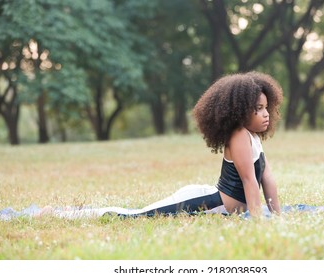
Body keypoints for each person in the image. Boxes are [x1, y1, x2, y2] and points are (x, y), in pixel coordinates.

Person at [37, 71, 283, 219]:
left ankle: (71, 211)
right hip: (207, 203)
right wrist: (257, 221)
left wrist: (277, 215)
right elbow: (250, 181)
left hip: (214, 201)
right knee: (134, 216)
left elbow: (267, 177)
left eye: (266, 107)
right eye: (257, 109)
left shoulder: (253, 136)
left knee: (138, 213)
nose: (265, 114)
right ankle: (63, 213)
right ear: (240, 110)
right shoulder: (239, 134)